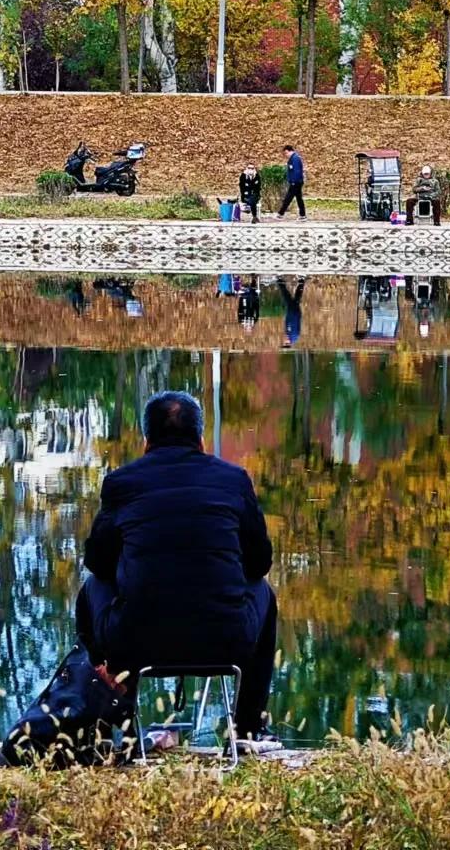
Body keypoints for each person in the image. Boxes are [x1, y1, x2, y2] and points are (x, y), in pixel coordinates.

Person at [75, 392, 281, 750]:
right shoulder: (233, 480)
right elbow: (259, 564)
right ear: (201, 441)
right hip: (227, 642)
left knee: (92, 589)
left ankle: (115, 722)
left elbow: (98, 563)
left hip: (134, 646)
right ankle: (248, 729)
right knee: (263, 592)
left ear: (145, 442)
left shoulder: (121, 484)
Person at [277, 145, 306, 219]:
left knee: (288, 198)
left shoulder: (295, 158)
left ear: (290, 151)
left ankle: (281, 213)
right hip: (297, 181)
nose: (286, 155)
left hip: (295, 182)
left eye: (286, 153)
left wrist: (293, 181)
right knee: (299, 198)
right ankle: (302, 215)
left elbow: (297, 171)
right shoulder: (293, 158)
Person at [277, 277, 305, 346]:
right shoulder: (293, 335)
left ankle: (301, 282)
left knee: (296, 298)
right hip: (294, 313)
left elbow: (288, 323)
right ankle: (280, 282)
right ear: (287, 343)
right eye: (284, 342)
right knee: (287, 297)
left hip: (293, 313)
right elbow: (294, 322)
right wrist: (292, 312)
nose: (284, 339)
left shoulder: (291, 336)